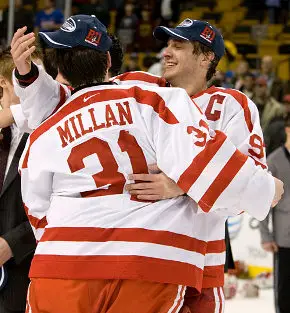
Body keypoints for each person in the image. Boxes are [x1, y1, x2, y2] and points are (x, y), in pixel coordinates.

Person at [11, 16, 282, 313]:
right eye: (166, 44)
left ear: (207, 57)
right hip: (149, 260)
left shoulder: (232, 105)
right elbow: (76, 102)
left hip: (199, 259)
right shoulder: (135, 86)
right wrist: (28, 77)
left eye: (178, 46)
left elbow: (239, 188)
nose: (166, 52)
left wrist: (180, 186)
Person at [0, 48, 38, 313]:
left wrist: (12, 243)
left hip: (20, 269)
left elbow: (59, 206)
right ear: (5, 82)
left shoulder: (48, 131)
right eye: (26, 75)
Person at [260, 113, 290, 313]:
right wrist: (266, 235)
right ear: (287, 129)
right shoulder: (274, 160)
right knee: (285, 292)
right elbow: (263, 202)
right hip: (284, 240)